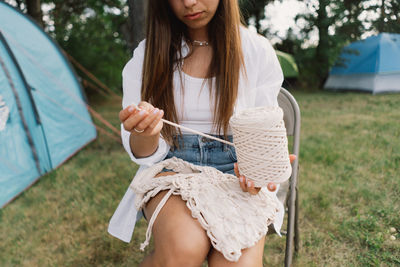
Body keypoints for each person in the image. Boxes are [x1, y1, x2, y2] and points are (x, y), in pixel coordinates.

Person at [108, 0, 295, 266]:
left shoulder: (255, 49)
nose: (189, 2)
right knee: (184, 251)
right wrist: (145, 131)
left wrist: (259, 172)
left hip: (237, 170)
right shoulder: (148, 53)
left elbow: (263, 130)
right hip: (172, 169)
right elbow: (143, 153)